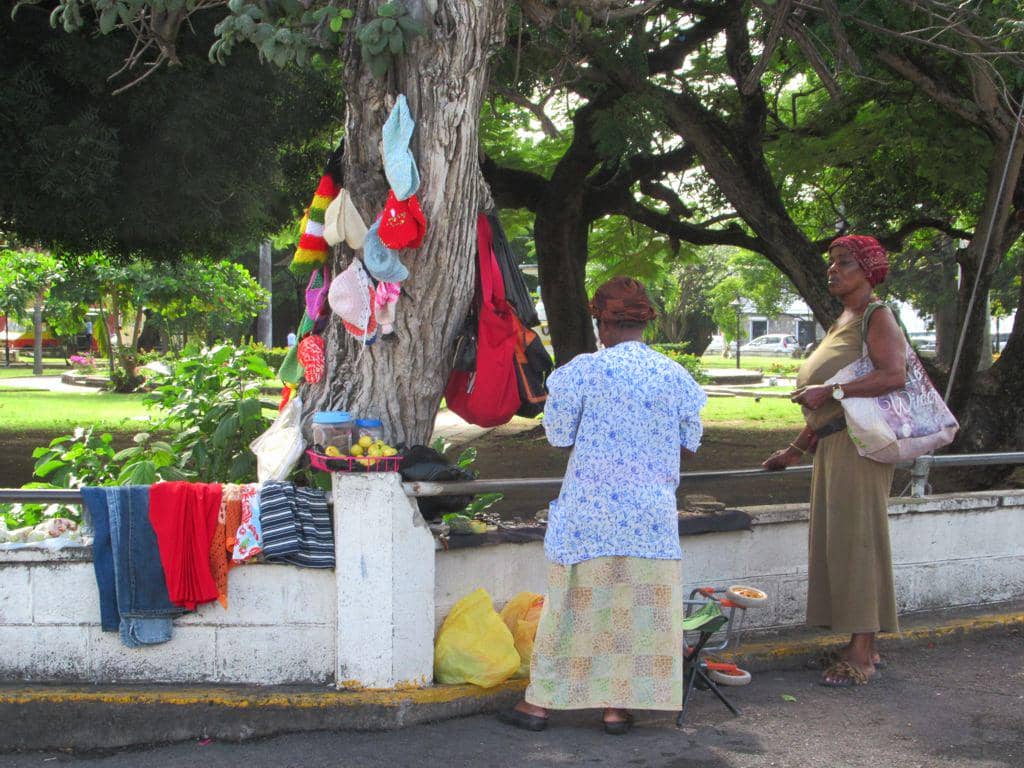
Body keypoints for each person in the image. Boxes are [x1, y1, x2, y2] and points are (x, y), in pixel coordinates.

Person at [498, 277, 706, 735]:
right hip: (649, 519)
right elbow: (689, 443)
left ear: (601, 324)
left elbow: (558, 437)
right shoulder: (676, 376)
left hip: (588, 514)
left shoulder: (580, 373)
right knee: (635, 615)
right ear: (645, 322)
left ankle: (539, 706)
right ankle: (616, 708)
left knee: (570, 609)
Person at [762, 235, 907, 687]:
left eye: (843, 263)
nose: (833, 270)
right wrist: (797, 448)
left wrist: (832, 391)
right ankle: (859, 643)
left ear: (867, 270)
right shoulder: (844, 318)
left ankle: (862, 655)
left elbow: (894, 375)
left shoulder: (875, 315)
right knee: (838, 542)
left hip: (859, 449)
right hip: (834, 444)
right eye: (831, 263)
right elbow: (829, 408)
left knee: (858, 542)